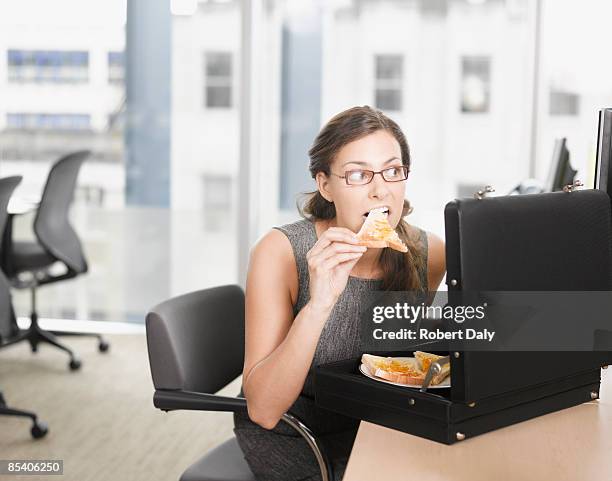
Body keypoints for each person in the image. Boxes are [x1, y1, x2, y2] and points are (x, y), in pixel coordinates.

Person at [233, 105, 446, 481]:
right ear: (325, 185)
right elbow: (264, 409)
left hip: (382, 426)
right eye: (358, 175)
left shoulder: (430, 253)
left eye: (393, 171)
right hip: (296, 434)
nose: (380, 190)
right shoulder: (280, 252)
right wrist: (320, 305)